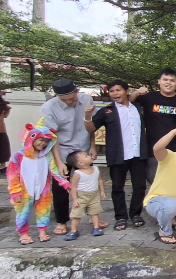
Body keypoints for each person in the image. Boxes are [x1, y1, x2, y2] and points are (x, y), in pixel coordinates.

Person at [40, 78, 107, 235]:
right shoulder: (48, 108)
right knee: (61, 187)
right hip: (62, 150)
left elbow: (91, 126)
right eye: (65, 99)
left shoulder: (86, 99)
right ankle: (62, 221)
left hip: (83, 150)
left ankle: (93, 217)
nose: (70, 101)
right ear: (57, 97)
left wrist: (92, 147)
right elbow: (52, 137)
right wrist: (59, 162)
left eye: (72, 97)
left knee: (91, 184)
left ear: (76, 91)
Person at [84, 80, 148, 230]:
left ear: (126, 91)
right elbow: (91, 128)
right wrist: (87, 116)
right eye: (111, 91)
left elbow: (134, 98)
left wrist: (138, 92)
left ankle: (135, 214)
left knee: (139, 186)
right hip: (117, 154)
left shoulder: (139, 108)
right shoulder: (107, 111)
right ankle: (120, 216)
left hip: (138, 153)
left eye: (118, 90)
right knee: (117, 187)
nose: (114, 94)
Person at [7, 119, 70, 244]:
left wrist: (65, 183)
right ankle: (23, 233)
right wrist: (15, 192)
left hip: (43, 189)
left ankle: (42, 231)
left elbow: (54, 171)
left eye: (46, 141)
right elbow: (12, 175)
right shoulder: (18, 156)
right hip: (24, 190)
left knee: (44, 210)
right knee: (22, 212)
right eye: (41, 140)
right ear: (31, 138)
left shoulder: (47, 156)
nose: (43, 144)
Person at [130, 68, 176, 183]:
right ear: (159, 81)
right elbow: (128, 102)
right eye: (165, 79)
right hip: (153, 150)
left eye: (172, 80)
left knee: (175, 183)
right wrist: (137, 92)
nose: (168, 83)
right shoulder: (149, 97)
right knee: (154, 181)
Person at [64, 151, 106, 240]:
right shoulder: (78, 173)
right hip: (81, 196)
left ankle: (96, 227)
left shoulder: (95, 169)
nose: (89, 156)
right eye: (86, 156)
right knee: (77, 214)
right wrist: (75, 199)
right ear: (81, 163)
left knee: (94, 212)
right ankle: (73, 231)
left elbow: (100, 181)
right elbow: (73, 187)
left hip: (94, 194)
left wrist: (102, 191)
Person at [0, 95, 12, 174]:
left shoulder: (4, 108)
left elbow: (8, 109)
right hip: (1, 130)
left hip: (1, 130)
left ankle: (3, 166)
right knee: (3, 147)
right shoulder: (4, 108)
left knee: (3, 147)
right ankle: (2, 166)